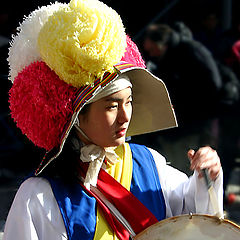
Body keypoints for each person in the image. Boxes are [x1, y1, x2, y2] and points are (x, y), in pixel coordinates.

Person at [3, 1, 223, 240]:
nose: (125, 115)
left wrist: (207, 176)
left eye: (129, 102)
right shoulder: (40, 196)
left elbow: (195, 219)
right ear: (75, 116)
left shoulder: (149, 164)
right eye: (112, 106)